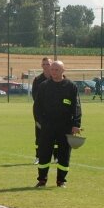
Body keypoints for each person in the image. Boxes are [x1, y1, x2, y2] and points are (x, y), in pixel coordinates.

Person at [33, 60, 82, 188]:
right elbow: (37, 106)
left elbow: (76, 107)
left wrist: (76, 124)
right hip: (47, 126)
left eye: (57, 70)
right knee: (44, 153)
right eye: (52, 70)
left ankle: (61, 181)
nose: (54, 72)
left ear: (63, 71)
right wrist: (40, 122)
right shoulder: (44, 86)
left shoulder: (71, 86)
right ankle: (42, 180)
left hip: (65, 126)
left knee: (64, 154)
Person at [31, 57, 54, 164]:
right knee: (40, 135)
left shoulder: (58, 78)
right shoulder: (38, 80)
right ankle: (38, 157)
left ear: (52, 65)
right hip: (41, 113)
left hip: (56, 112)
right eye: (44, 64)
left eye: (47, 64)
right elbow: (35, 97)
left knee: (56, 135)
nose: (46, 66)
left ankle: (57, 157)